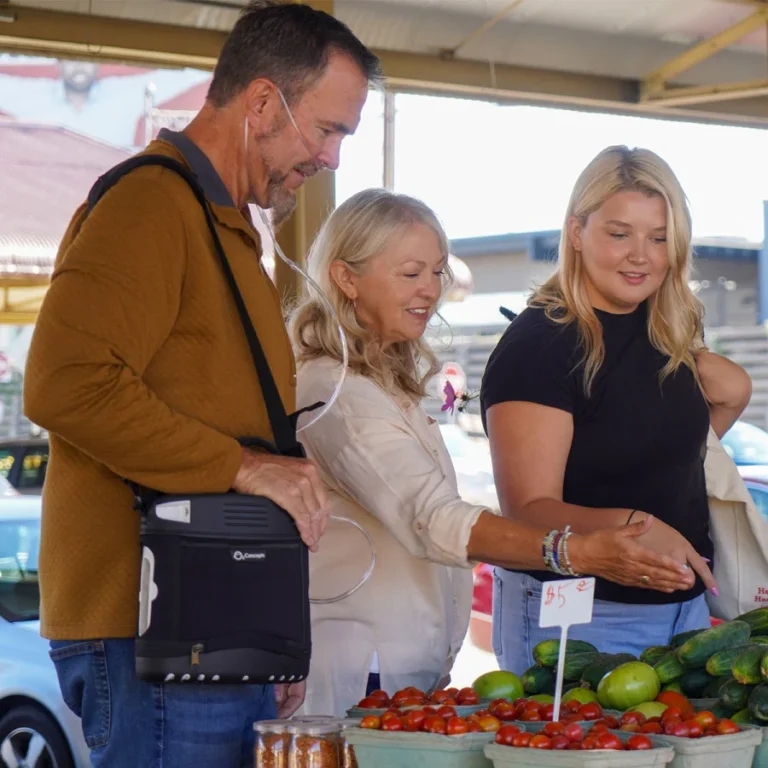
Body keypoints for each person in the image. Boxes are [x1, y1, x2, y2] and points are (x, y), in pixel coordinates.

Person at [23, 3, 381, 766]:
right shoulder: (151, 203)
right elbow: (65, 385)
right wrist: (248, 467)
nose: (332, 158)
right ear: (260, 103)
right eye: (327, 129)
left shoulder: (218, 223)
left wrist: (273, 630)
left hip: (211, 625)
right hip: (156, 631)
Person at [289, 188, 705, 717]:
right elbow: (432, 519)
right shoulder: (338, 393)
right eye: (411, 273)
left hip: (402, 665)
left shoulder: (379, 381)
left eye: (437, 273)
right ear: (346, 278)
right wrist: (575, 552)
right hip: (355, 670)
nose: (430, 291)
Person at [481, 145, 743, 675]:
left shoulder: (665, 335)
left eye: (660, 237)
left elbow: (664, 459)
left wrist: (732, 390)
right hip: (582, 617)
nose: (640, 254)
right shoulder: (543, 343)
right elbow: (527, 509)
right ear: (576, 232)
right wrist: (637, 525)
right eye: (619, 233)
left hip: (684, 613)